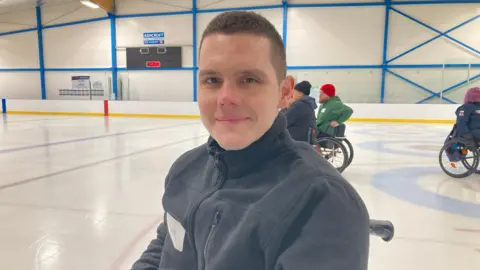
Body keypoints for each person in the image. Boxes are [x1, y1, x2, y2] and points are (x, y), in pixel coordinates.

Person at [131, 11, 369, 270]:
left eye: (249, 79)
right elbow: (167, 245)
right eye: (212, 80)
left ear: (285, 92)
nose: (226, 97)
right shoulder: (186, 169)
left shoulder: (322, 204)